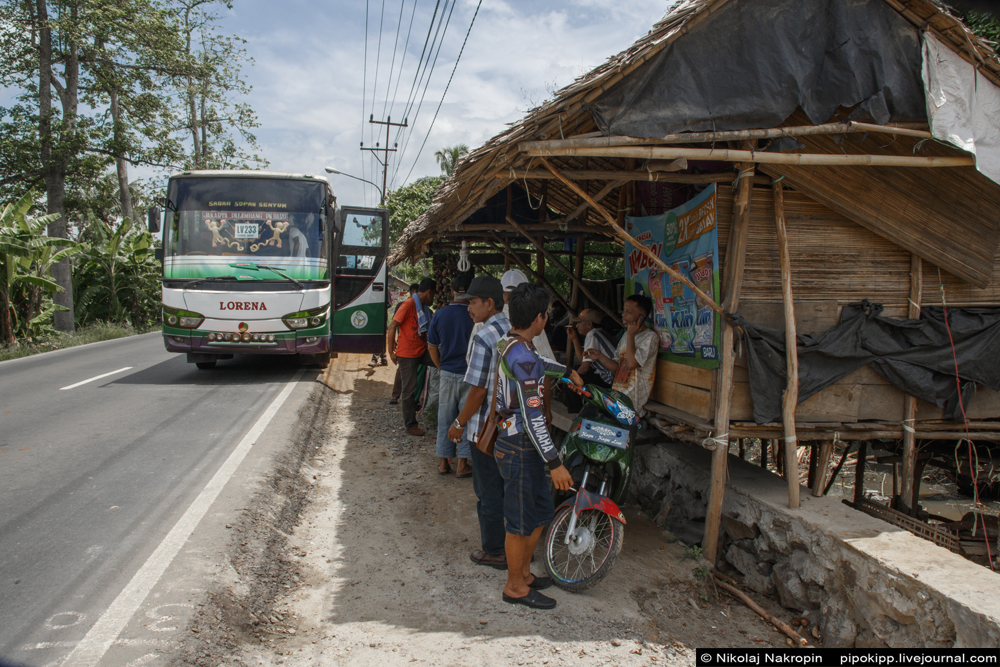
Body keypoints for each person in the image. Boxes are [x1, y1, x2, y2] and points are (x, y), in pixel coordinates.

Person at [494, 283, 581, 609]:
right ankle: (515, 586)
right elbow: (533, 419)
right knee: (519, 523)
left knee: (539, 513)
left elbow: (538, 363)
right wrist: (555, 462)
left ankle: (524, 574)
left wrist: (568, 371)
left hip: (518, 443)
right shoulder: (523, 356)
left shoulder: (512, 343)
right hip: (520, 445)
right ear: (541, 318)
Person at [447, 276, 509, 570]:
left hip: (484, 429)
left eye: (473, 302)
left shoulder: (485, 336)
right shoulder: (514, 330)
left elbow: (478, 390)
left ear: (490, 303)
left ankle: (495, 550)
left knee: (488, 491)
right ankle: (516, 547)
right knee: (509, 489)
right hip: (510, 427)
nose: (468, 307)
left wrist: (459, 423)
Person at [427, 274, 475, 477]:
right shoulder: (476, 315)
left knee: (445, 418)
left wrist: (441, 366)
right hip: (470, 375)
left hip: (447, 372)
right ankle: (462, 464)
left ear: (453, 292)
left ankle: (443, 463)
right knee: (464, 419)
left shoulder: (440, 314)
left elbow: (431, 346)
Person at [584, 294, 658, 416]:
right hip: (618, 395)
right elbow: (618, 366)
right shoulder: (625, 336)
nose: (623, 315)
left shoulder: (650, 338)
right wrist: (599, 356)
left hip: (632, 402)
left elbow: (632, 363)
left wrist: (630, 335)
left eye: (628, 312)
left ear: (641, 317)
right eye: (624, 311)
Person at [388, 278, 437, 435]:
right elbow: (392, 325)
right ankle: (410, 425)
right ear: (429, 293)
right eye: (433, 295)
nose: (433, 299)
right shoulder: (409, 304)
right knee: (409, 390)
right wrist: (391, 351)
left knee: (442, 363)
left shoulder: (423, 308)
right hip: (407, 354)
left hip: (422, 350)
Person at [564, 308, 616, 412]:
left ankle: (577, 412)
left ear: (589, 324)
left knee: (569, 378)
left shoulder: (592, 334)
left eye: (579, 323)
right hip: (610, 376)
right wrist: (574, 338)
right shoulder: (598, 332)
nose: (577, 326)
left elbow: (585, 368)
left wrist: (574, 377)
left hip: (609, 379)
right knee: (574, 370)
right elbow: (584, 361)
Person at [390, 283, 419, 404]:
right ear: (412, 292)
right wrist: (392, 346)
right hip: (405, 344)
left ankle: (409, 397)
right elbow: (394, 325)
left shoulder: (419, 306)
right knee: (402, 370)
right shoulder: (404, 305)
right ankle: (395, 395)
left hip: (415, 344)